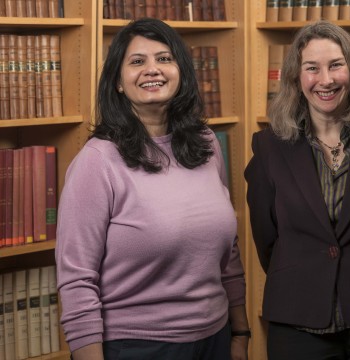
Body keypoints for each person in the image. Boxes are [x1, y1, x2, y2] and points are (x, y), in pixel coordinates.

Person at [55, 18, 249, 360]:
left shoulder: (206, 145)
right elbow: (76, 279)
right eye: (137, 61)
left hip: (215, 338)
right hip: (137, 346)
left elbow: (228, 253)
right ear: (117, 81)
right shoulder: (97, 161)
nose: (152, 70)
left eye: (164, 58)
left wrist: (241, 333)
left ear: (180, 71)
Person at [245, 20, 350, 360]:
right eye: (312, 68)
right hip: (297, 319)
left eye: (336, 65)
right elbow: (267, 241)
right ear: (296, 78)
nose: (326, 80)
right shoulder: (268, 147)